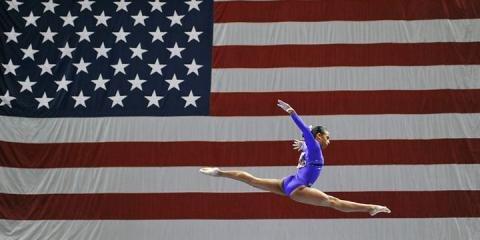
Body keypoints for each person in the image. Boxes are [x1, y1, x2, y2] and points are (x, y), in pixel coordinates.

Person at [200, 100, 391, 216]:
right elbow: (304, 129)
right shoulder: (314, 146)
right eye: (327, 136)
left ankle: (219, 172)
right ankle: (370, 208)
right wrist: (292, 112)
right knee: (332, 202)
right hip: (298, 188)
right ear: (318, 137)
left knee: (252, 180)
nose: (329, 140)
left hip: (288, 183)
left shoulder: (309, 148)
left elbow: (306, 142)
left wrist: (304, 145)